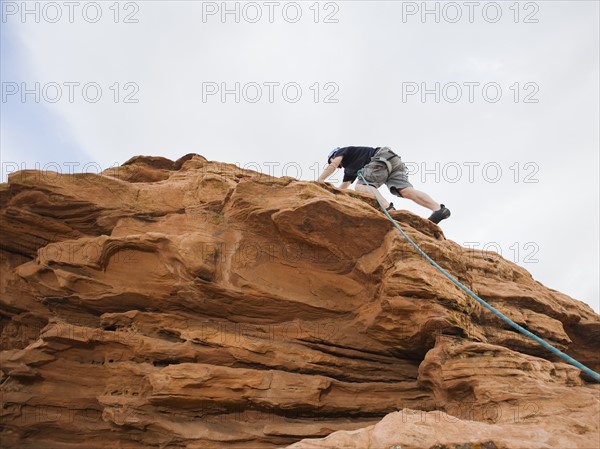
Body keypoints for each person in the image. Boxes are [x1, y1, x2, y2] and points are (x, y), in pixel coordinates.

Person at [317, 146, 450, 224]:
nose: (339, 166)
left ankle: (388, 209)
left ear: (334, 155)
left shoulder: (344, 151)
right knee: (406, 191)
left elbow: (333, 166)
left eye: (334, 159)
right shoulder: (349, 170)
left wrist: (319, 181)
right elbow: (343, 189)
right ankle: (438, 209)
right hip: (394, 160)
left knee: (361, 187)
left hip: (380, 157)